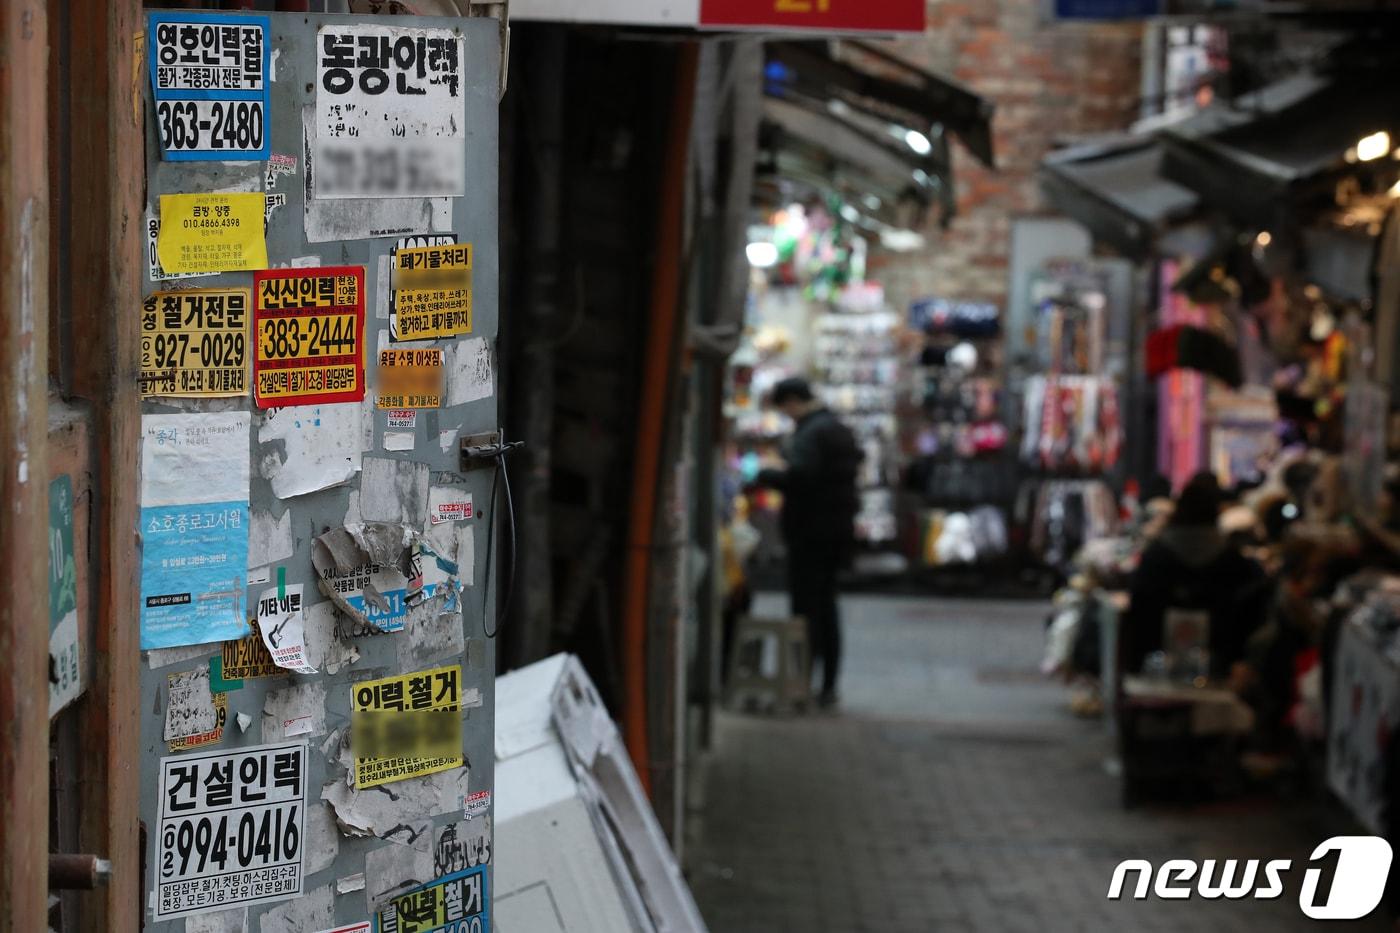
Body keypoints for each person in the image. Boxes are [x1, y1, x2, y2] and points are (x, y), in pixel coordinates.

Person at [757, 377, 862, 708]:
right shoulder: (835, 427)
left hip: (810, 533)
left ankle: (800, 683)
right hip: (835, 532)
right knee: (827, 607)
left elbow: (800, 477)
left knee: (804, 610)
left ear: (791, 401)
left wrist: (765, 475)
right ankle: (827, 686)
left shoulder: (811, 432)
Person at [1124, 471, 1268, 679]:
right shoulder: (1234, 561)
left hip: (1158, 666)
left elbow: (1139, 611)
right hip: (1219, 667)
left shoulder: (1156, 557)